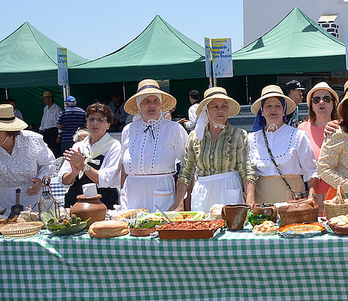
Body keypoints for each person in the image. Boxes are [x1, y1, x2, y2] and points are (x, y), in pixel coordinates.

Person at [0, 104, 55, 213]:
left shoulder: (32, 140)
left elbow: (48, 163)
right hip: (3, 201)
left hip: (34, 198)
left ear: (10, 131)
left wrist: (40, 180)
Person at [175, 87, 255, 211]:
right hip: (203, 192)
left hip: (229, 190)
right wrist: (179, 203)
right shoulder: (195, 137)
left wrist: (250, 200)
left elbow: (246, 169)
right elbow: (186, 171)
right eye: (215, 107)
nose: (220, 111)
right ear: (206, 110)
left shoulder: (238, 135)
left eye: (224, 106)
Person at [120, 80, 188, 211]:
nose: (152, 105)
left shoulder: (174, 129)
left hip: (163, 194)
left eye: (156, 101)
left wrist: (182, 201)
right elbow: (124, 167)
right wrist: (121, 191)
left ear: (161, 105)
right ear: (139, 105)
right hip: (131, 196)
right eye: (146, 101)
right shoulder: (128, 130)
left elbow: (188, 166)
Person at [248, 85, 317, 204]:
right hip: (262, 203)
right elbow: (249, 174)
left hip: (293, 200)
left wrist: (311, 196)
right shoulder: (252, 139)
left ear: (283, 110)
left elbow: (310, 171)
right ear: (262, 111)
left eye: (277, 106)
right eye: (268, 106)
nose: (273, 110)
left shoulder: (298, 136)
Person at [58, 103, 122, 209]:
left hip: (103, 202)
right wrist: (74, 173)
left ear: (108, 124)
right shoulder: (78, 146)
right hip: (76, 201)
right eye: (91, 119)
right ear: (86, 122)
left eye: (100, 120)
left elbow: (105, 180)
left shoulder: (114, 147)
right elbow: (64, 181)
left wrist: (83, 166)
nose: (95, 123)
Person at [298, 82, 339, 206]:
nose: (321, 102)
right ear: (311, 105)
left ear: (333, 104)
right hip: (311, 196)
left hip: (339, 195)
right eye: (316, 100)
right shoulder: (302, 129)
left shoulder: (343, 128)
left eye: (326, 99)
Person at [39, 90, 62, 157]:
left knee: (54, 150)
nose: (44, 100)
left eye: (45, 98)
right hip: (47, 132)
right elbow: (44, 120)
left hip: (54, 131)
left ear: (50, 99)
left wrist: (59, 135)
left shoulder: (57, 108)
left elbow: (59, 122)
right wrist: (40, 130)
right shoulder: (45, 108)